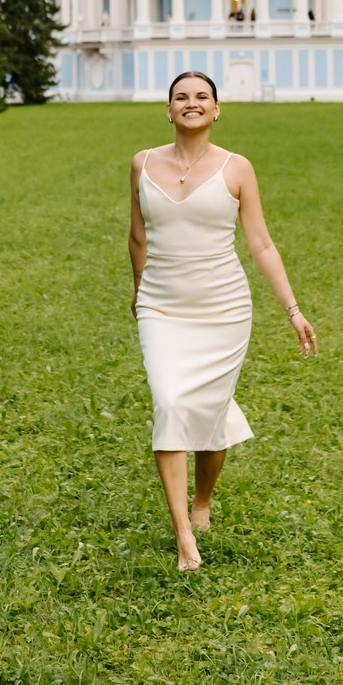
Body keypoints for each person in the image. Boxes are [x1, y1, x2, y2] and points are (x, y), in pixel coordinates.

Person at [128, 70, 317, 572]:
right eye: (181, 97)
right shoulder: (142, 164)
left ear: (216, 110)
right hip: (161, 306)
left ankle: (203, 500)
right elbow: (137, 236)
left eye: (201, 97)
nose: (191, 104)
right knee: (170, 402)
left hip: (224, 310)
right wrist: (138, 290)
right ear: (168, 110)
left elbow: (260, 243)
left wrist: (293, 311)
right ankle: (183, 534)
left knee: (209, 414)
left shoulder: (237, 169)